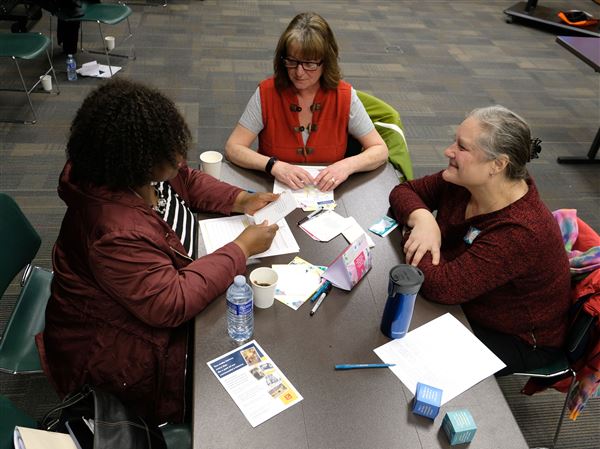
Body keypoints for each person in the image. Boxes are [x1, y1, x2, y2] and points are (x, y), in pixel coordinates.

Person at [35, 79, 279, 425]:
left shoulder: (133, 168)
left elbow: (188, 181)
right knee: (223, 392)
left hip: (163, 283)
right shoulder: (114, 232)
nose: (181, 160)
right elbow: (171, 302)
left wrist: (241, 199)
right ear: (138, 163)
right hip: (117, 349)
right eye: (171, 156)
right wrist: (242, 248)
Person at [389, 105, 570, 376]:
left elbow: (441, 287)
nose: (449, 151)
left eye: (462, 147)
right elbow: (405, 191)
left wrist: (412, 232)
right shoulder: (466, 180)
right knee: (394, 314)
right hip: (469, 298)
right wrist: (423, 220)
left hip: (516, 337)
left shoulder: (521, 231)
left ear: (498, 165)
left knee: (405, 353)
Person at [225, 12, 388, 192]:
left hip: (331, 196)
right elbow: (233, 148)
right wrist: (274, 165)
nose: (299, 72)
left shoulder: (344, 96)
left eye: (309, 63)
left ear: (326, 62)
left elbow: (380, 150)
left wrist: (346, 166)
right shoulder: (266, 93)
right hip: (274, 192)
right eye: (292, 61)